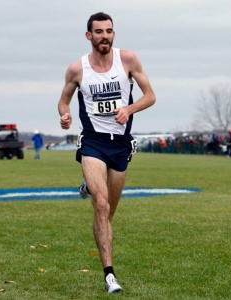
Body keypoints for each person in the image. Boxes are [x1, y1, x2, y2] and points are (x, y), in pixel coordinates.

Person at [58, 12, 156, 293]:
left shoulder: (127, 60)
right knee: (100, 205)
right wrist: (64, 116)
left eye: (109, 31)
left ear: (114, 34)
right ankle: (110, 275)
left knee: (108, 213)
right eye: (98, 31)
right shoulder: (77, 69)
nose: (104, 36)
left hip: (121, 145)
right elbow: (63, 101)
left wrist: (128, 108)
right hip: (93, 142)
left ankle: (89, 186)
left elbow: (150, 95)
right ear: (89, 36)